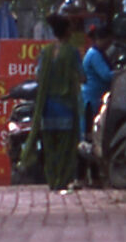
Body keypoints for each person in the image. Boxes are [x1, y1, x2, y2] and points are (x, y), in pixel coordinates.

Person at [26, 11, 84, 192]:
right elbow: (82, 76)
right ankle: (62, 180)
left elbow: (39, 75)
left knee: (50, 147)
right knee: (66, 147)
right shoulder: (72, 52)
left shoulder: (46, 52)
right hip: (66, 106)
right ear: (67, 31)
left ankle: (52, 181)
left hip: (48, 107)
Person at [80, 20, 115, 135]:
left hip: (96, 97)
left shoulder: (98, 53)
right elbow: (106, 76)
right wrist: (122, 73)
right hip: (91, 98)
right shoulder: (94, 55)